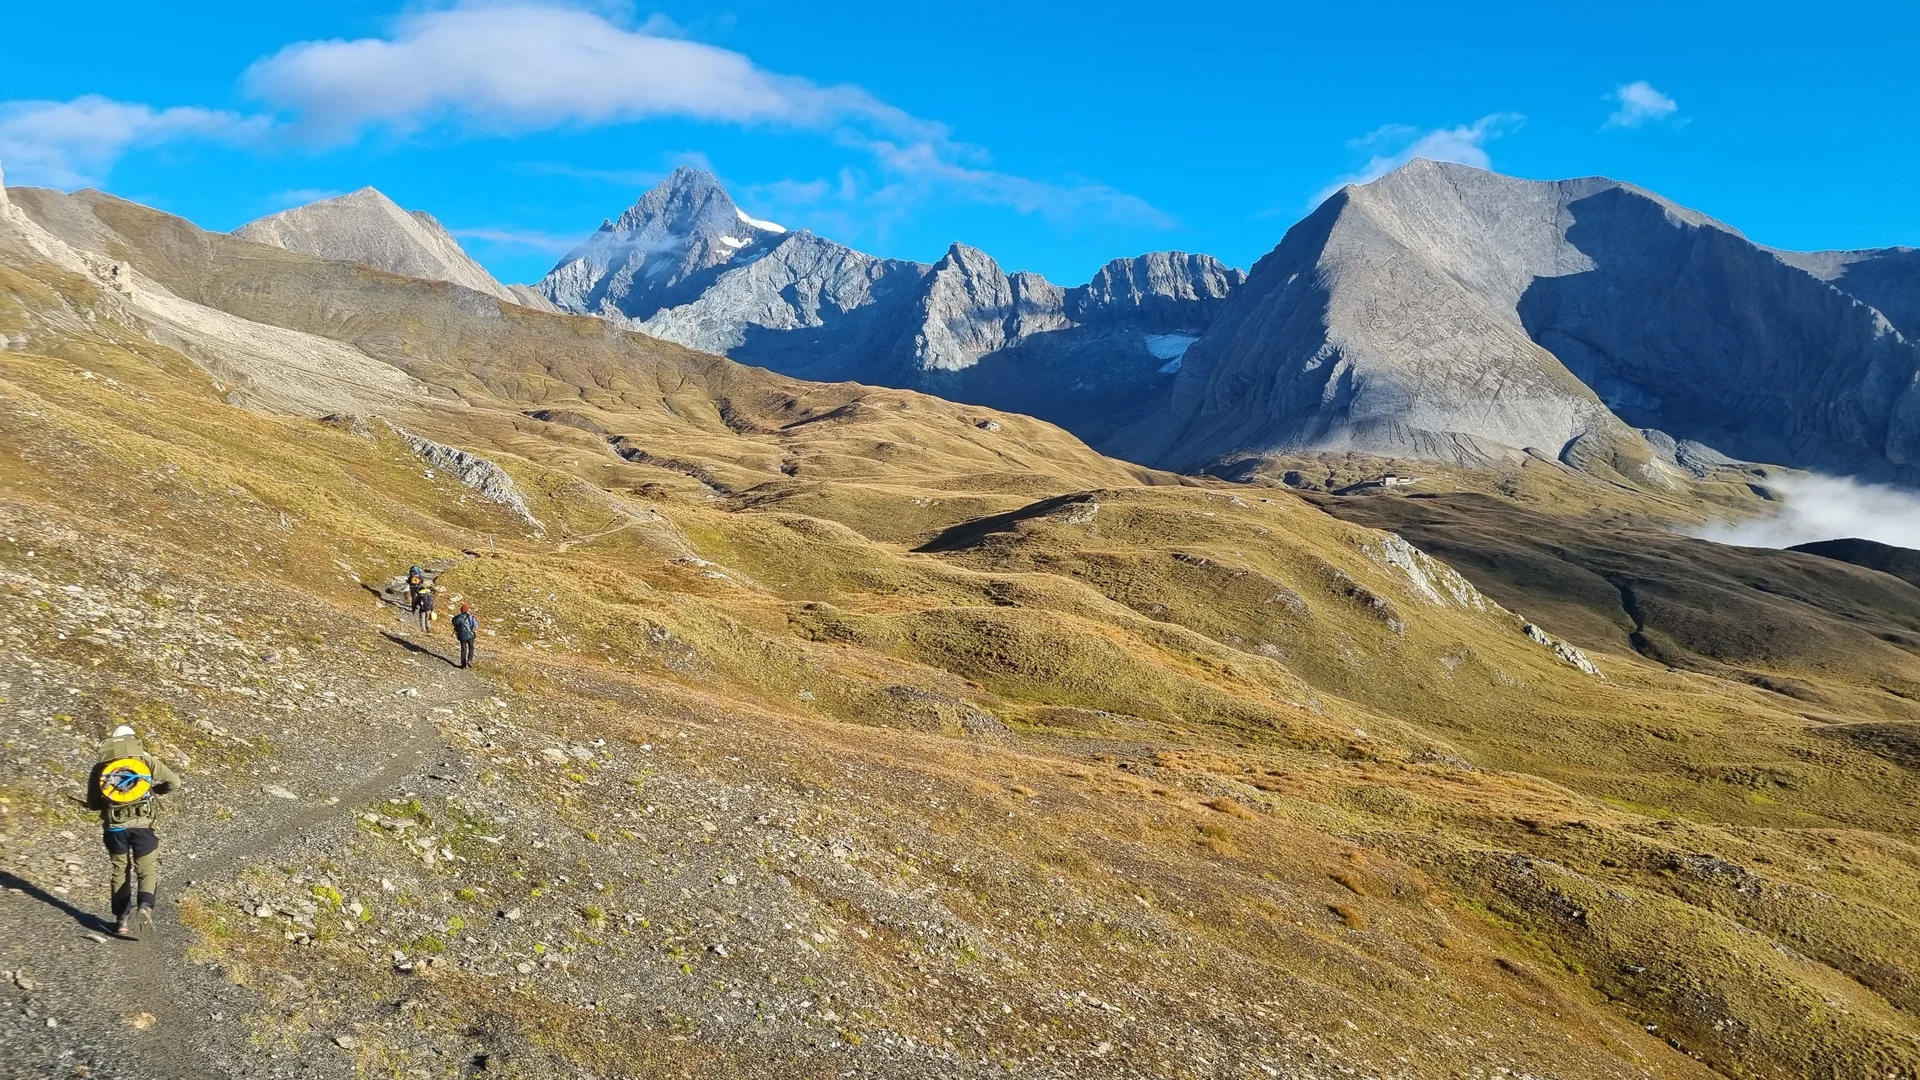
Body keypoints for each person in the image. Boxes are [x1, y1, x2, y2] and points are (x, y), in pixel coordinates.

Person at [85, 725, 181, 935]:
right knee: (146, 869)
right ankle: (145, 907)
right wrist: (154, 790)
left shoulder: (101, 767)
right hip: (143, 827)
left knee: (120, 870)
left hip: (114, 829)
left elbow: (92, 803)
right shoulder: (145, 760)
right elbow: (174, 782)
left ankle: (122, 920)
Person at [452, 603, 478, 669]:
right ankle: (469, 660)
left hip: (461, 635)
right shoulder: (470, 617)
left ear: (461, 610)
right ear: (467, 610)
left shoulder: (458, 617)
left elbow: (454, 623)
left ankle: (463, 665)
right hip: (470, 635)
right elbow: (475, 625)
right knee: (471, 647)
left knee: (463, 649)